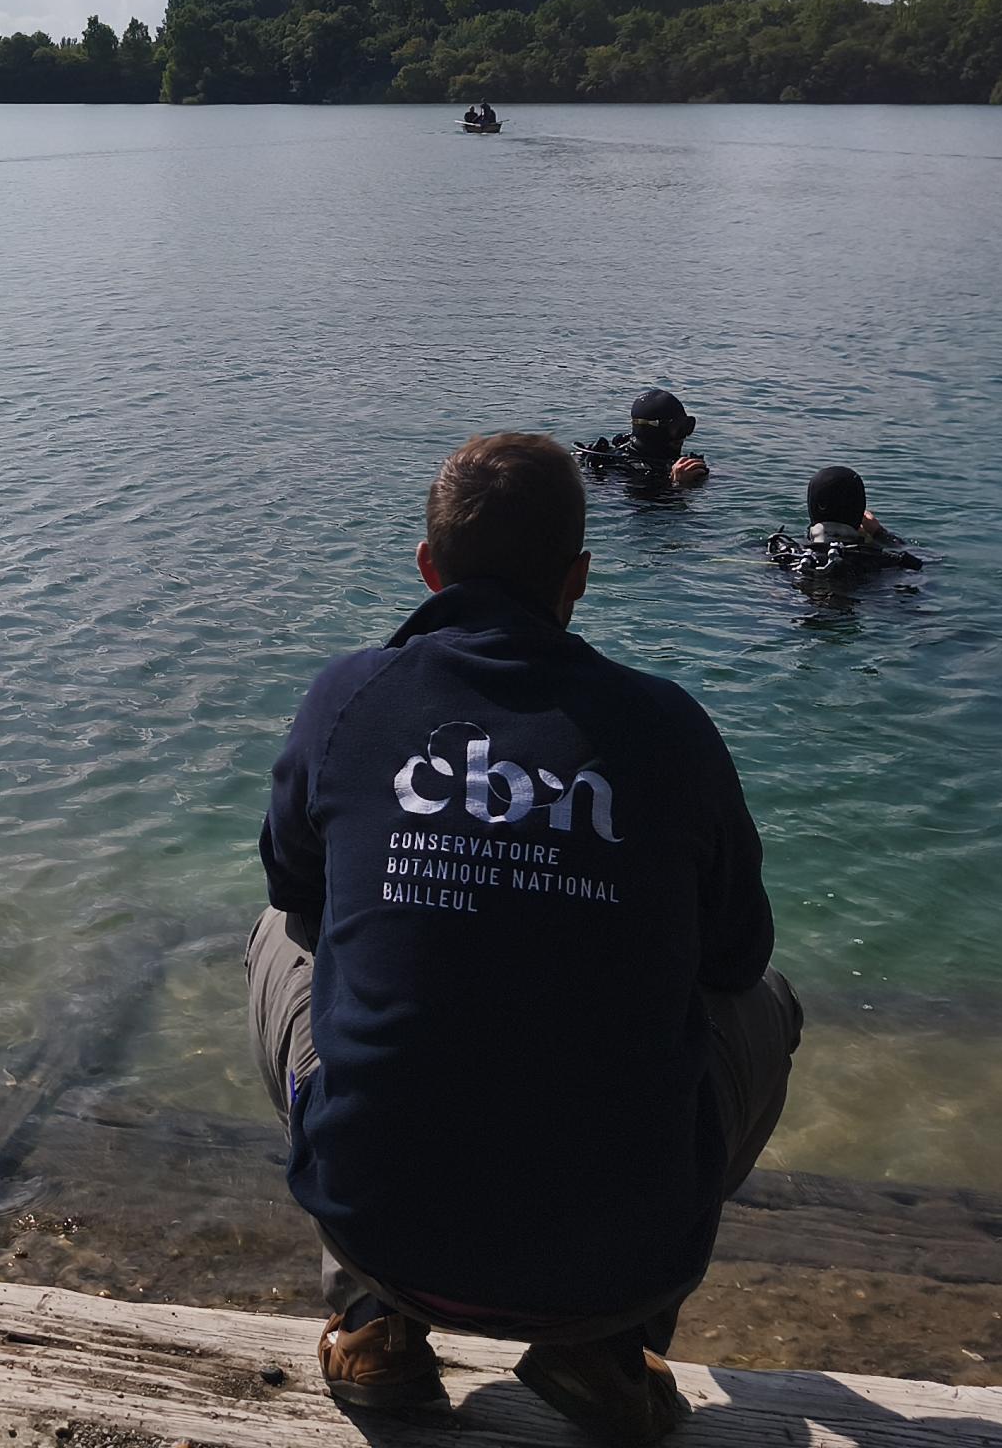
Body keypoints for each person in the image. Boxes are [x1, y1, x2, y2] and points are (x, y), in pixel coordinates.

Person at [249, 432, 800, 1442]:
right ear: (578, 581)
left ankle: (375, 1325)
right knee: (769, 1002)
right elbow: (737, 959)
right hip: (619, 1266)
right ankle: (607, 1348)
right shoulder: (668, 729)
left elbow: (294, 889)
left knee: (287, 932)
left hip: (381, 1231)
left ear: (428, 569)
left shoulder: (348, 698)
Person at [766, 465, 922, 577]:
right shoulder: (886, 560)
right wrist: (880, 534)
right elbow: (925, 562)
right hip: (869, 599)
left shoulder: (785, 552)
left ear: (812, 505)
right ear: (859, 509)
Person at [576, 388, 708, 491]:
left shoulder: (670, 462)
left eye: (687, 426)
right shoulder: (621, 471)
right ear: (655, 431)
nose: (684, 435)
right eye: (678, 429)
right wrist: (677, 485)